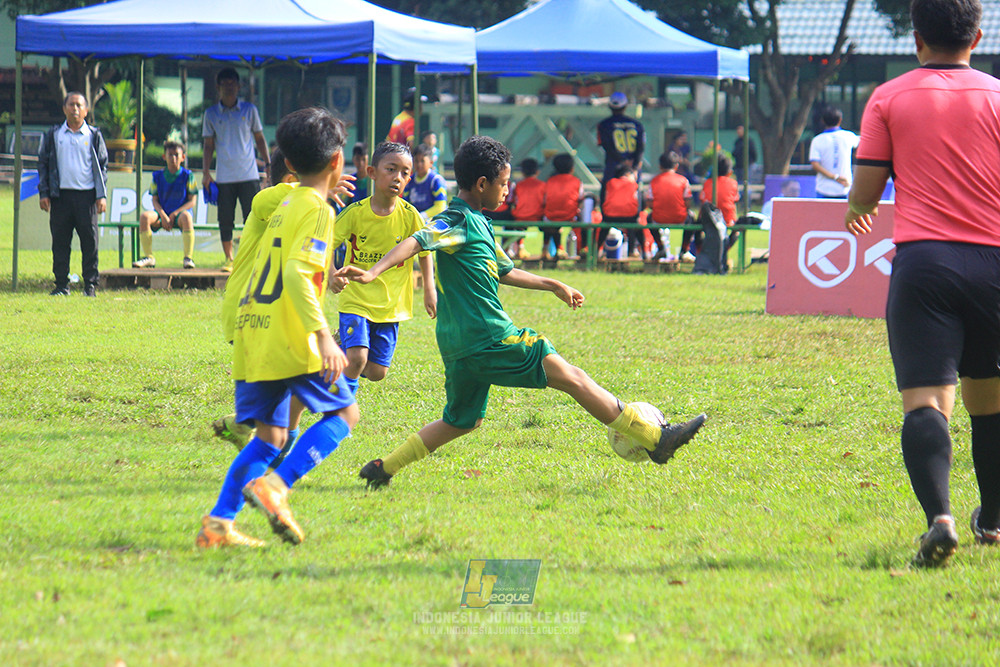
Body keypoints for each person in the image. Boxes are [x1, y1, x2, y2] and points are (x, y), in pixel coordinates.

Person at [335, 135, 706, 490]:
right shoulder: (457, 219)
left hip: (458, 345)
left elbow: (505, 269)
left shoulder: (478, 221)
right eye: (504, 183)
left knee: (461, 421)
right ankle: (656, 437)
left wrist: (553, 284)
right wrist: (372, 271)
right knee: (571, 376)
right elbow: (417, 241)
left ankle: (385, 468)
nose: (507, 190)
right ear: (482, 184)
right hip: (489, 336)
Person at [844, 0, 1000, 567]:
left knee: (927, 402)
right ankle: (995, 521)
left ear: (916, 40)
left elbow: (867, 186)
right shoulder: (998, 94)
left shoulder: (889, 96)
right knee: (991, 403)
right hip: (995, 263)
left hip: (925, 265)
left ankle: (940, 519)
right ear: (977, 36)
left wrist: (855, 207)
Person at [196, 107, 354, 549]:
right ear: (337, 162)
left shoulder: (284, 201)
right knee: (345, 413)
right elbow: (298, 274)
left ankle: (218, 524)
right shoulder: (319, 210)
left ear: (287, 164)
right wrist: (323, 334)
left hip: (254, 326)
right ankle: (277, 486)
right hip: (290, 332)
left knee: (272, 435)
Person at [329, 141, 437, 396]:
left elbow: (425, 251)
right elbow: (324, 244)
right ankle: (342, 407)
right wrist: (332, 272)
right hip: (355, 299)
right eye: (391, 169)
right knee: (357, 359)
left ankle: (336, 346)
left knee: (377, 371)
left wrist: (429, 288)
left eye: (405, 173)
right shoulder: (354, 213)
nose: (398, 178)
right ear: (372, 172)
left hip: (391, 305)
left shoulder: (411, 215)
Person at [37, 91, 108, 297]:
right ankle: (61, 285)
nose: (74, 109)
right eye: (71, 105)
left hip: (86, 197)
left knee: (90, 242)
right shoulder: (54, 135)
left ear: (86, 110)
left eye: (79, 105)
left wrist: (101, 195)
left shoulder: (94, 135)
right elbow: (43, 163)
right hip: (61, 197)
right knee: (60, 242)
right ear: (64, 109)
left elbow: (103, 166)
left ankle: (90, 286)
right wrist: (44, 192)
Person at [202, 67, 270, 271]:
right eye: (225, 85)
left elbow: (260, 139)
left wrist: (268, 164)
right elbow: (208, 145)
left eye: (233, 84)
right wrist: (206, 173)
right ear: (218, 88)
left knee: (254, 216)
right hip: (224, 176)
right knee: (225, 219)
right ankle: (229, 259)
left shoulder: (250, 110)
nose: (229, 89)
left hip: (248, 174)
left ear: (239, 86)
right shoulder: (211, 114)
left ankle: (254, 256)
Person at [132, 140, 198, 269]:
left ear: (183, 157)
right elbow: (154, 200)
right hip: (161, 213)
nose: (173, 158)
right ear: (164, 157)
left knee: (187, 218)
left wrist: (174, 214)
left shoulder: (188, 175)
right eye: (170, 155)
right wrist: (162, 215)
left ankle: (188, 258)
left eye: (176, 155)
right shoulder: (157, 176)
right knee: (144, 217)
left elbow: (192, 201)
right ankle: (149, 257)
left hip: (179, 214)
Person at [597, 92, 645, 206]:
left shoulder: (603, 125)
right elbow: (641, 146)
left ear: (610, 106)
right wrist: (634, 164)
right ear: (625, 106)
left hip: (613, 163)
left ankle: (607, 218)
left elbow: (606, 146)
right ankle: (634, 217)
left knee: (607, 192)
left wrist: (621, 160)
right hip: (632, 164)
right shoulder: (637, 125)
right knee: (634, 193)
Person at [647, 151, 693, 259]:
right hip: (679, 218)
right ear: (676, 166)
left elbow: (650, 204)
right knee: (691, 218)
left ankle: (660, 247)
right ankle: (684, 250)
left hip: (659, 218)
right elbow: (688, 203)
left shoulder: (653, 181)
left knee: (649, 217)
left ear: (660, 166)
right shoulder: (683, 180)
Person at [809, 107, 859, 198]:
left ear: (822, 121)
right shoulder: (849, 136)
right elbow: (862, 147)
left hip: (823, 189)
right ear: (840, 120)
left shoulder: (817, 140)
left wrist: (834, 177)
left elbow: (815, 164)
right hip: (844, 188)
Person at [543, 153, 583, 260]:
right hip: (571, 216)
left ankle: (549, 248)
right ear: (572, 168)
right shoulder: (577, 182)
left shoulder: (550, 181)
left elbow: (545, 199)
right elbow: (580, 199)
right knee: (583, 223)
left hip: (551, 215)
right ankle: (583, 249)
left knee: (550, 224)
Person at [601, 164, 643, 258]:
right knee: (635, 225)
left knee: (603, 228)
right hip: (630, 217)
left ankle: (596, 251)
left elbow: (605, 201)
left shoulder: (610, 183)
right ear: (628, 174)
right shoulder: (634, 185)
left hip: (609, 216)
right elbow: (638, 206)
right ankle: (636, 251)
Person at [509, 158, 545, 259]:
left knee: (516, 224)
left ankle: (520, 247)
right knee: (550, 227)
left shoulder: (518, 186)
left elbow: (511, 201)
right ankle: (545, 249)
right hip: (538, 216)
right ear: (537, 172)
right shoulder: (542, 185)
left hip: (520, 216)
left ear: (523, 172)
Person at [403, 144, 448, 221]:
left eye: (422, 161)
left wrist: (421, 216)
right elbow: (405, 205)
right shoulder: (409, 181)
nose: (419, 164)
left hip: (434, 222)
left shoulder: (436, 180)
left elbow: (441, 207)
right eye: (416, 161)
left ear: (431, 163)